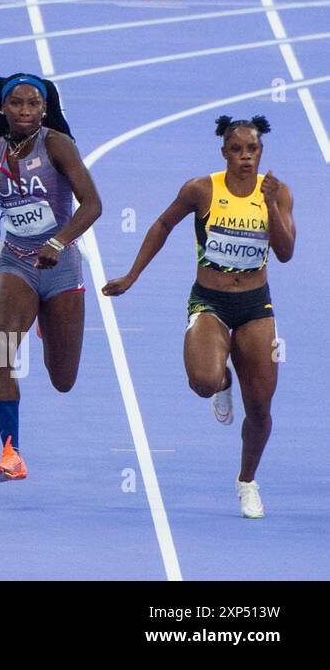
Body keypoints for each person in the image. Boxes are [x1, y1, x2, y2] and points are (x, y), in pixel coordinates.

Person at [103, 115, 294, 518]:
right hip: (209, 301)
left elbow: (285, 252)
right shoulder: (201, 189)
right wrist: (131, 276)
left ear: (261, 152)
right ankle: (224, 378)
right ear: (223, 152)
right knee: (204, 383)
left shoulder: (276, 192)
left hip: (256, 306)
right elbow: (162, 224)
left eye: (252, 150)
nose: (245, 157)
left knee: (259, 407)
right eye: (237, 150)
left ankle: (247, 482)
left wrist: (273, 205)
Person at [0, 73, 103, 483]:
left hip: (61, 267)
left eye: (33, 104)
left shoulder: (57, 146)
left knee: (63, 379)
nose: (25, 111)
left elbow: (92, 205)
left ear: (45, 108)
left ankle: (44, 324)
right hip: (16, 263)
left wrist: (58, 241)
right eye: (16, 103)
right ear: (2, 108)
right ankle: (11, 453)